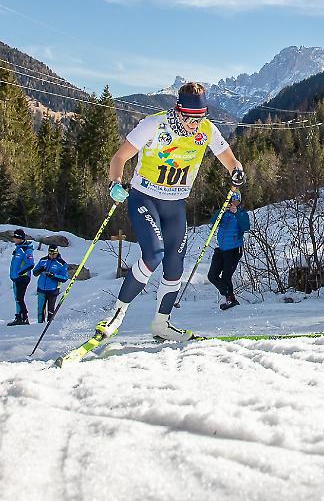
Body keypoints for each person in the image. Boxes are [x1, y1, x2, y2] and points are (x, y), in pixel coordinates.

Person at [95, 82, 246, 342]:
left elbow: (231, 160)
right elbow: (119, 158)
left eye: (199, 118)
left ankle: (162, 324)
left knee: (174, 268)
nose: (193, 124)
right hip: (145, 198)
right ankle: (115, 316)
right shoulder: (153, 124)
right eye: (189, 118)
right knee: (153, 255)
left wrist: (237, 171)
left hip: (176, 204)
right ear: (178, 110)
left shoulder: (206, 129)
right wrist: (115, 183)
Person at [207, 191, 250, 310]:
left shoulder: (242, 213)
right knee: (212, 275)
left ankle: (230, 300)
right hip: (221, 249)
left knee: (226, 276)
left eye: (235, 201)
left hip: (234, 249)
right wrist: (220, 211)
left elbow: (245, 227)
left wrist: (236, 214)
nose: (232, 203)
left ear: (239, 202)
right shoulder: (224, 214)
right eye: (230, 201)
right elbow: (213, 222)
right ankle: (229, 295)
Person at [33, 245, 69, 324]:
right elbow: (34, 272)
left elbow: (65, 278)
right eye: (50, 254)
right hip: (41, 288)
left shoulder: (62, 263)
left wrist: (53, 276)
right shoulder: (43, 260)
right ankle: (39, 325)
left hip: (53, 290)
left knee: (50, 310)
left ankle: (49, 325)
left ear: (57, 252)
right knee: (40, 310)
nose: (52, 256)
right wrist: (40, 269)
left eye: (54, 254)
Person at [7, 228, 35, 326]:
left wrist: (19, 273)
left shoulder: (26, 249)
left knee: (19, 298)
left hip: (22, 278)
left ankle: (25, 318)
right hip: (16, 278)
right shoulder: (18, 249)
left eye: (15, 237)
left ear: (20, 238)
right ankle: (19, 317)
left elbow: (30, 264)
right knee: (18, 298)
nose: (14, 239)